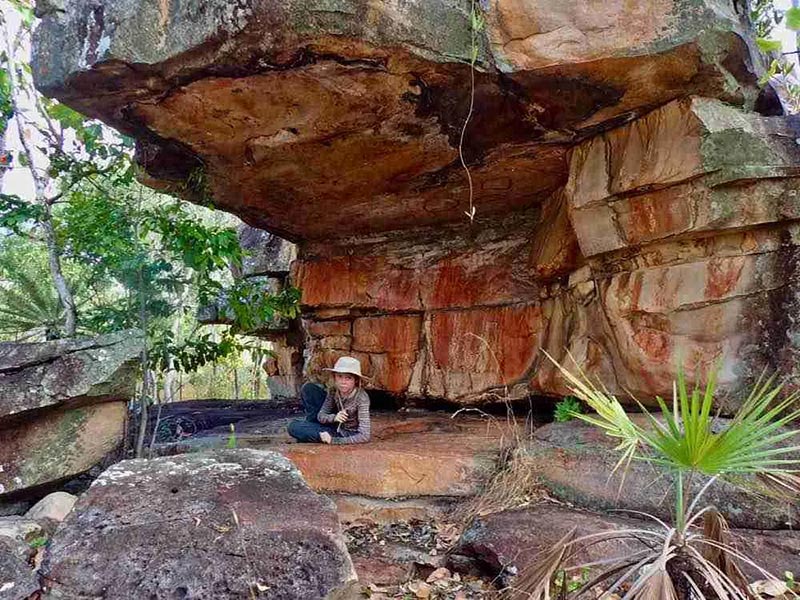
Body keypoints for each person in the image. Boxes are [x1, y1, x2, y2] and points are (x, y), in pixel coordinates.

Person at [287, 356, 371, 444]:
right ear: (335, 377)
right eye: (340, 377)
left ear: (356, 380)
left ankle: (315, 436)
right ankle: (313, 431)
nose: (343, 382)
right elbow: (321, 415)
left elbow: (364, 436)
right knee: (309, 389)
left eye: (348, 378)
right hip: (333, 424)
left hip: (345, 433)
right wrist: (334, 417)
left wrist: (334, 440)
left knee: (296, 428)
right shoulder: (334, 391)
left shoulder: (361, 398)